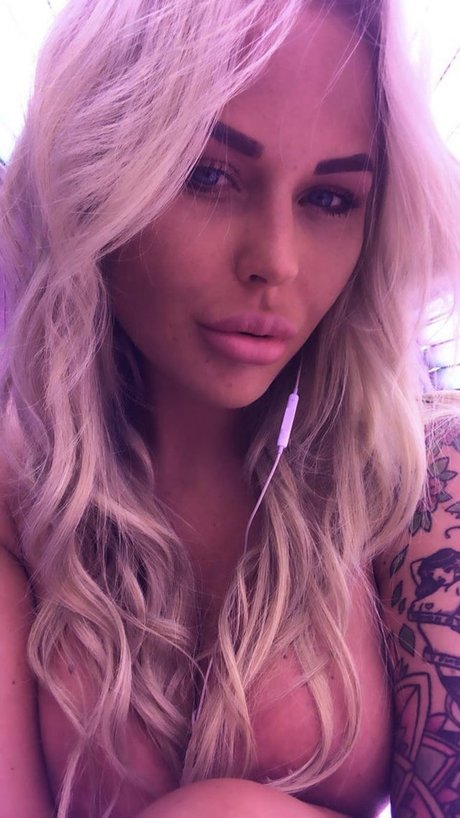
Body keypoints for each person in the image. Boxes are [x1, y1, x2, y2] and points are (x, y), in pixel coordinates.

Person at [0, 0, 459, 816]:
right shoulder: (18, 508)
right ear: (98, 172)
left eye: (330, 199)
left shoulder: (420, 481)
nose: (275, 262)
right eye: (209, 176)